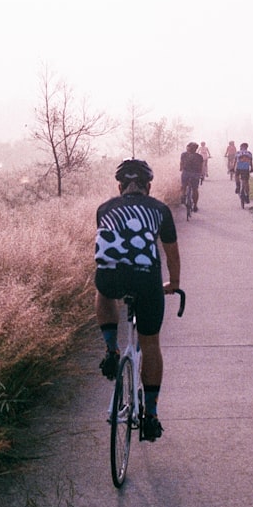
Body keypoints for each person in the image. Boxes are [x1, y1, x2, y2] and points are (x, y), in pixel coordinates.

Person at [95, 159, 181, 442]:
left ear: (120, 187)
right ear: (149, 186)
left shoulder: (105, 208)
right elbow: (171, 254)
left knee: (103, 290)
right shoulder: (160, 209)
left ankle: (111, 350)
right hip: (147, 281)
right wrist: (175, 284)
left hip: (112, 278)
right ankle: (152, 414)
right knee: (151, 344)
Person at [179, 141, 204, 211]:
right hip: (195, 174)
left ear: (188, 148)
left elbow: (181, 163)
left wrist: (181, 168)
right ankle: (195, 205)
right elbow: (201, 167)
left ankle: (183, 196)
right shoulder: (199, 157)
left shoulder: (183, 154)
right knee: (195, 189)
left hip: (186, 173)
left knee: (183, 186)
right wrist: (201, 175)